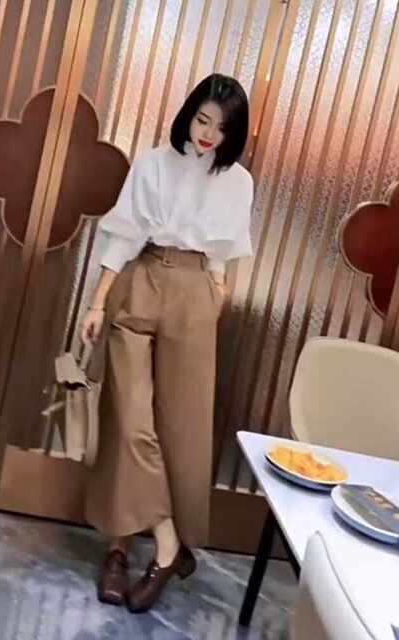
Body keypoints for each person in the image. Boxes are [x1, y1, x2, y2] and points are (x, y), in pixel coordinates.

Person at [81, 73, 254, 613]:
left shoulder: (238, 181)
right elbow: (124, 234)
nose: (208, 134)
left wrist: (217, 292)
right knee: (129, 421)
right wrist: (97, 301)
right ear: (189, 114)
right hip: (143, 278)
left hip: (196, 291)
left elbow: (224, 250)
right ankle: (164, 545)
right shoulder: (154, 163)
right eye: (202, 120)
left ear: (233, 135)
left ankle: (122, 548)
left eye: (221, 128)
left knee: (179, 425)